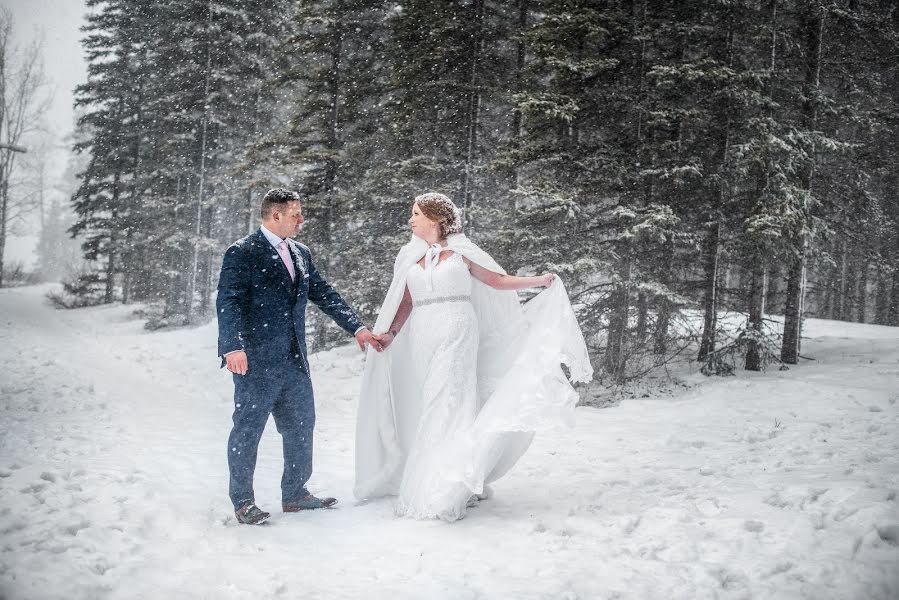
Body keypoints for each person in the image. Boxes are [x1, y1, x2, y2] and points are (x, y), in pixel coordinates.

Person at [354, 192, 593, 521]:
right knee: (431, 404)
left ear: (436, 218)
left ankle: (442, 488)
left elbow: (497, 280)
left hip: (457, 330)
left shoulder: (461, 252)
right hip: (424, 335)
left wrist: (541, 280)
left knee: (447, 404)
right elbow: (406, 301)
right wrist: (392, 333)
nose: (410, 220)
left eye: (416, 214)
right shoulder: (410, 257)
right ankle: (454, 473)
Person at [217, 188, 382, 525]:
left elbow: (324, 293)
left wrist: (357, 328)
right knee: (248, 431)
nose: (302, 220)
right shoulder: (242, 252)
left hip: (294, 361)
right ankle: (243, 502)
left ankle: (295, 493)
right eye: (296, 214)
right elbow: (228, 301)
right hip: (255, 362)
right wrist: (232, 346)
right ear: (275, 215)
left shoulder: (301, 252)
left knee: (301, 426)